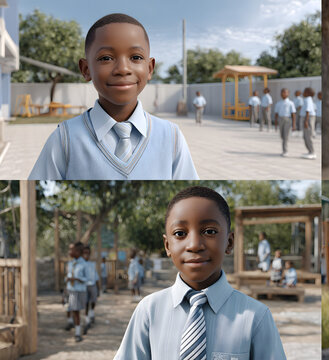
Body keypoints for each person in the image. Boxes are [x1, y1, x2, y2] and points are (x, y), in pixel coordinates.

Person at [115, 186, 286, 359]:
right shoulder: (149, 311)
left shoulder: (256, 317)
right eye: (180, 233)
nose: (194, 245)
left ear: (229, 242)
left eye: (210, 232)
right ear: (167, 246)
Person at [29, 13, 198, 180]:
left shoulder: (171, 136)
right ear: (86, 69)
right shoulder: (64, 139)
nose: (123, 69)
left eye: (136, 57)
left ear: (150, 68)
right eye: (106, 58)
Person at [65, 242, 88, 342]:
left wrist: (77, 279)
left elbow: (87, 278)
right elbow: (68, 275)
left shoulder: (84, 264)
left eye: (71, 250)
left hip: (79, 290)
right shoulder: (71, 263)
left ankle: (78, 333)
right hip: (71, 289)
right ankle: (77, 331)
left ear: (78, 252)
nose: (70, 252)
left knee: (76, 311)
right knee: (73, 310)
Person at [273, 88, 297, 157]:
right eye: (282, 92)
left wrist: (294, 124)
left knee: (285, 136)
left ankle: (285, 151)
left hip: (287, 120)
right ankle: (284, 149)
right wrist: (275, 123)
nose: (283, 94)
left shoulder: (290, 103)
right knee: (282, 135)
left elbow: (293, 114)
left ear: (288, 93)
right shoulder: (278, 103)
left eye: (285, 92)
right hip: (280, 119)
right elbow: (276, 113)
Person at [82, 246, 99, 332]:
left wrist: (97, 286)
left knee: (93, 301)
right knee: (86, 303)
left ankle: (91, 313)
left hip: (92, 285)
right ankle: (87, 319)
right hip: (84, 286)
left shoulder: (92, 264)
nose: (86, 255)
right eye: (84, 253)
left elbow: (95, 276)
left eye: (87, 253)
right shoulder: (80, 264)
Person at [301, 87, 317, 159]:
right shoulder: (307, 100)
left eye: (304, 91)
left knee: (308, 136)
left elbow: (308, 110)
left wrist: (306, 121)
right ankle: (309, 151)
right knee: (305, 136)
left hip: (308, 118)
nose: (303, 93)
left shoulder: (308, 100)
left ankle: (312, 152)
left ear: (307, 93)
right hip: (307, 117)